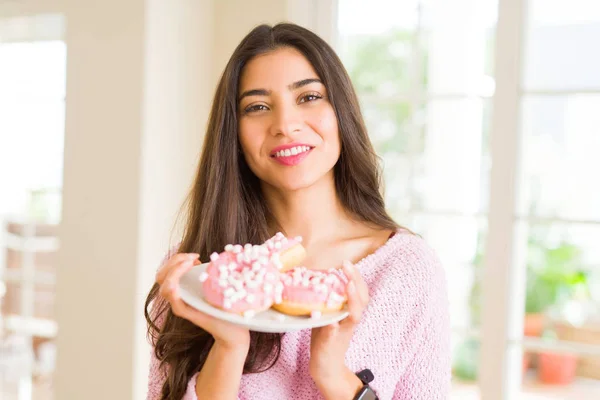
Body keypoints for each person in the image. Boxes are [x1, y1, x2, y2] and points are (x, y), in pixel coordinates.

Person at [145, 23, 450, 400]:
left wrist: (333, 374)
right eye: (257, 107)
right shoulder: (195, 275)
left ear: (341, 113)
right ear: (234, 135)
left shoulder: (405, 270)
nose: (285, 125)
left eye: (308, 97)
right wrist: (229, 347)